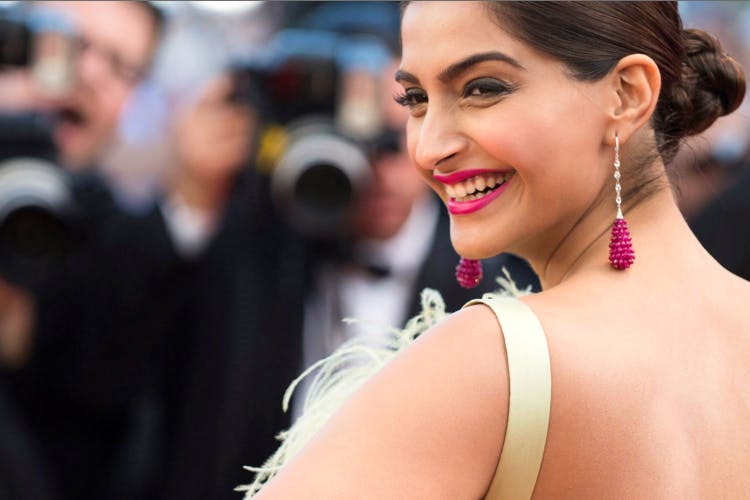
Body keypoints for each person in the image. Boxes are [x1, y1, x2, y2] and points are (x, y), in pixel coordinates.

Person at [243, 2, 750, 498]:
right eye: (415, 99)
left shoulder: (490, 360)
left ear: (627, 94)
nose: (429, 148)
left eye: (481, 89)